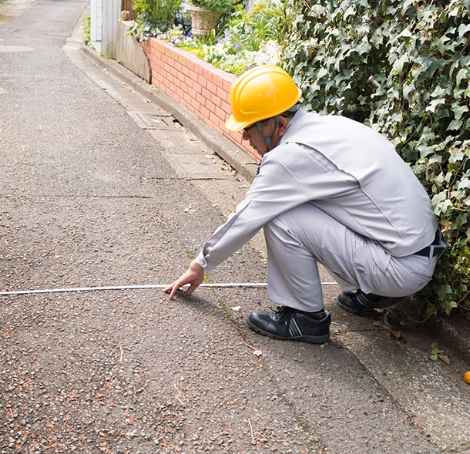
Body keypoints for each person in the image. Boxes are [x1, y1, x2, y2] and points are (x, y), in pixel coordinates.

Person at [163, 65, 445, 344]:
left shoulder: (290, 156)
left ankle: (306, 319)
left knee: (280, 216)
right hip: (419, 250)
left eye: (249, 128)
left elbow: (248, 215)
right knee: (312, 205)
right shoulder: (330, 126)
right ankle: (374, 293)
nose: (244, 137)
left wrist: (200, 264)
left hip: (401, 268)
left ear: (280, 124)